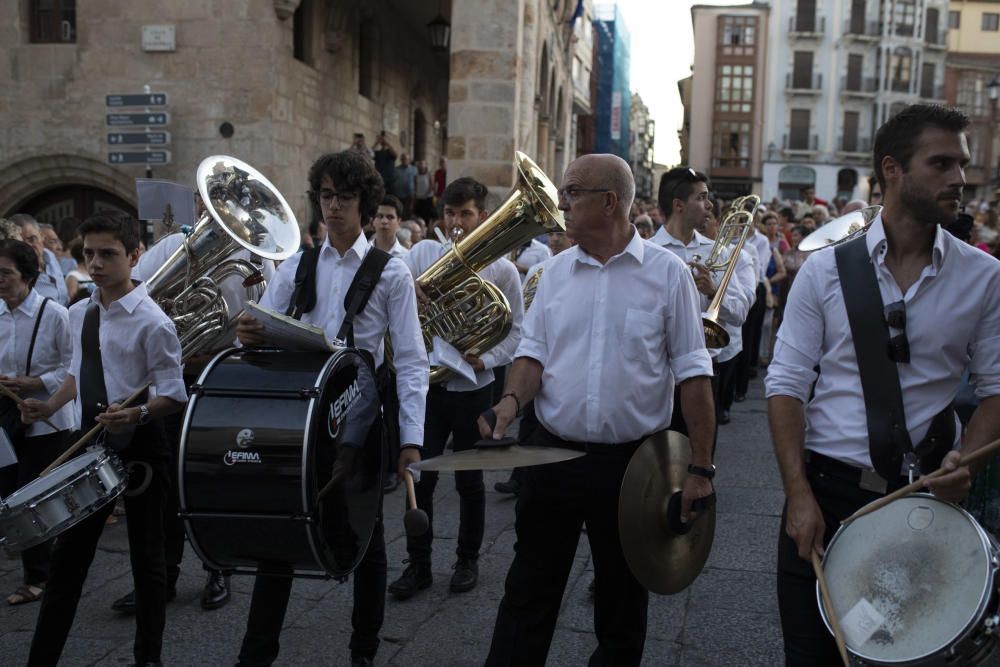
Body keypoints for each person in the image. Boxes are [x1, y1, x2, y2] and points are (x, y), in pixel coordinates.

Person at [766, 104, 1000, 664]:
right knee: (813, 656)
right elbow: (786, 385)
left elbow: (994, 390)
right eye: (940, 163)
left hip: (925, 500)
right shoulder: (823, 271)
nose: (959, 179)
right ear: (892, 169)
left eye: (961, 164)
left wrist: (965, 460)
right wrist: (798, 495)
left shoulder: (984, 276)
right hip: (826, 493)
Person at [480, 154, 716, 666]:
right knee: (528, 593)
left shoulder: (668, 274)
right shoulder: (552, 273)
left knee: (622, 603)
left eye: (571, 192)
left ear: (609, 202)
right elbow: (532, 355)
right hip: (551, 457)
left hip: (633, 466)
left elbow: (695, 374)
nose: (559, 203)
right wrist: (510, 401)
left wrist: (700, 469)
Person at [232, 150, 427, 667]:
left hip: (358, 421)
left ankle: (363, 650)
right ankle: (256, 654)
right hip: (298, 419)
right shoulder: (297, 264)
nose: (334, 206)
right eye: (325, 196)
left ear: (365, 202)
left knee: (366, 536)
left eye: (344, 196)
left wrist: (412, 441)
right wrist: (248, 332)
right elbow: (262, 334)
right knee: (280, 536)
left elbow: (409, 361)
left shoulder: (392, 273)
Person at [20, 212, 188, 667]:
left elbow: (173, 394)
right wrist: (49, 406)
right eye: (88, 254)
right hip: (90, 442)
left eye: (108, 254)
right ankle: (42, 656)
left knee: (147, 560)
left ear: (135, 255)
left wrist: (135, 412)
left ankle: (147, 657)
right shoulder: (80, 313)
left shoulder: (154, 322)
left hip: (143, 446)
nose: (94, 263)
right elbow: (78, 374)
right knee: (69, 560)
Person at [389, 177, 523, 599]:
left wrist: (487, 358)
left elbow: (517, 331)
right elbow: (393, 290)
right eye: (450, 213)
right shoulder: (422, 253)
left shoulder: (501, 267)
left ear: (483, 216)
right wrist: (407, 285)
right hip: (428, 388)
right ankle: (419, 564)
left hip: (472, 387)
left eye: (465, 213)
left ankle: (467, 560)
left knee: (469, 483)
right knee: (420, 477)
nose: (457, 222)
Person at [651, 167, 755, 434]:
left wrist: (713, 289)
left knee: (699, 458)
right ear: (678, 205)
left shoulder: (720, 252)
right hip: (657, 369)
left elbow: (741, 312)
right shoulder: (647, 253)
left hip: (705, 368)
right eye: (701, 197)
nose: (709, 205)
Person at [0, 240, 74, 606]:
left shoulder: (55, 314)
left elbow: (73, 369)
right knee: (9, 492)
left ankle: (38, 577)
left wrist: (36, 383)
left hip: (49, 420)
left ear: (27, 276)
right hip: (7, 419)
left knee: (30, 496)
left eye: (6, 273)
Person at [11, 214, 68, 306]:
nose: (28, 246)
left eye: (32, 239)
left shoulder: (51, 258)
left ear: (41, 236)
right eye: (21, 243)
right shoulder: (15, 272)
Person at [391, 153, 417, 218]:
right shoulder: (396, 169)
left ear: (409, 160)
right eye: (403, 159)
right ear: (401, 160)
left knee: (408, 211)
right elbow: (393, 181)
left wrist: (415, 193)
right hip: (398, 194)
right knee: (399, 210)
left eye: (406, 159)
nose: (404, 160)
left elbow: (416, 181)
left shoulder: (414, 169)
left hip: (410, 194)